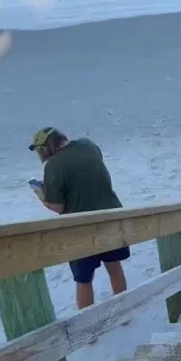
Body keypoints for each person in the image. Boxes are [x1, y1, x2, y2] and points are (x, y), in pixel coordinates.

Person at [29, 127, 129, 309]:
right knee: (114, 268)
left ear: (45, 148)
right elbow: (86, 175)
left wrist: (42, 195)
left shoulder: (53, 165)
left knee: (84, 279)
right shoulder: (88, 145)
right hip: (111, 217)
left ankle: (87, 328)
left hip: (81, 227)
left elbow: (58, 206)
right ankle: (124, 313)